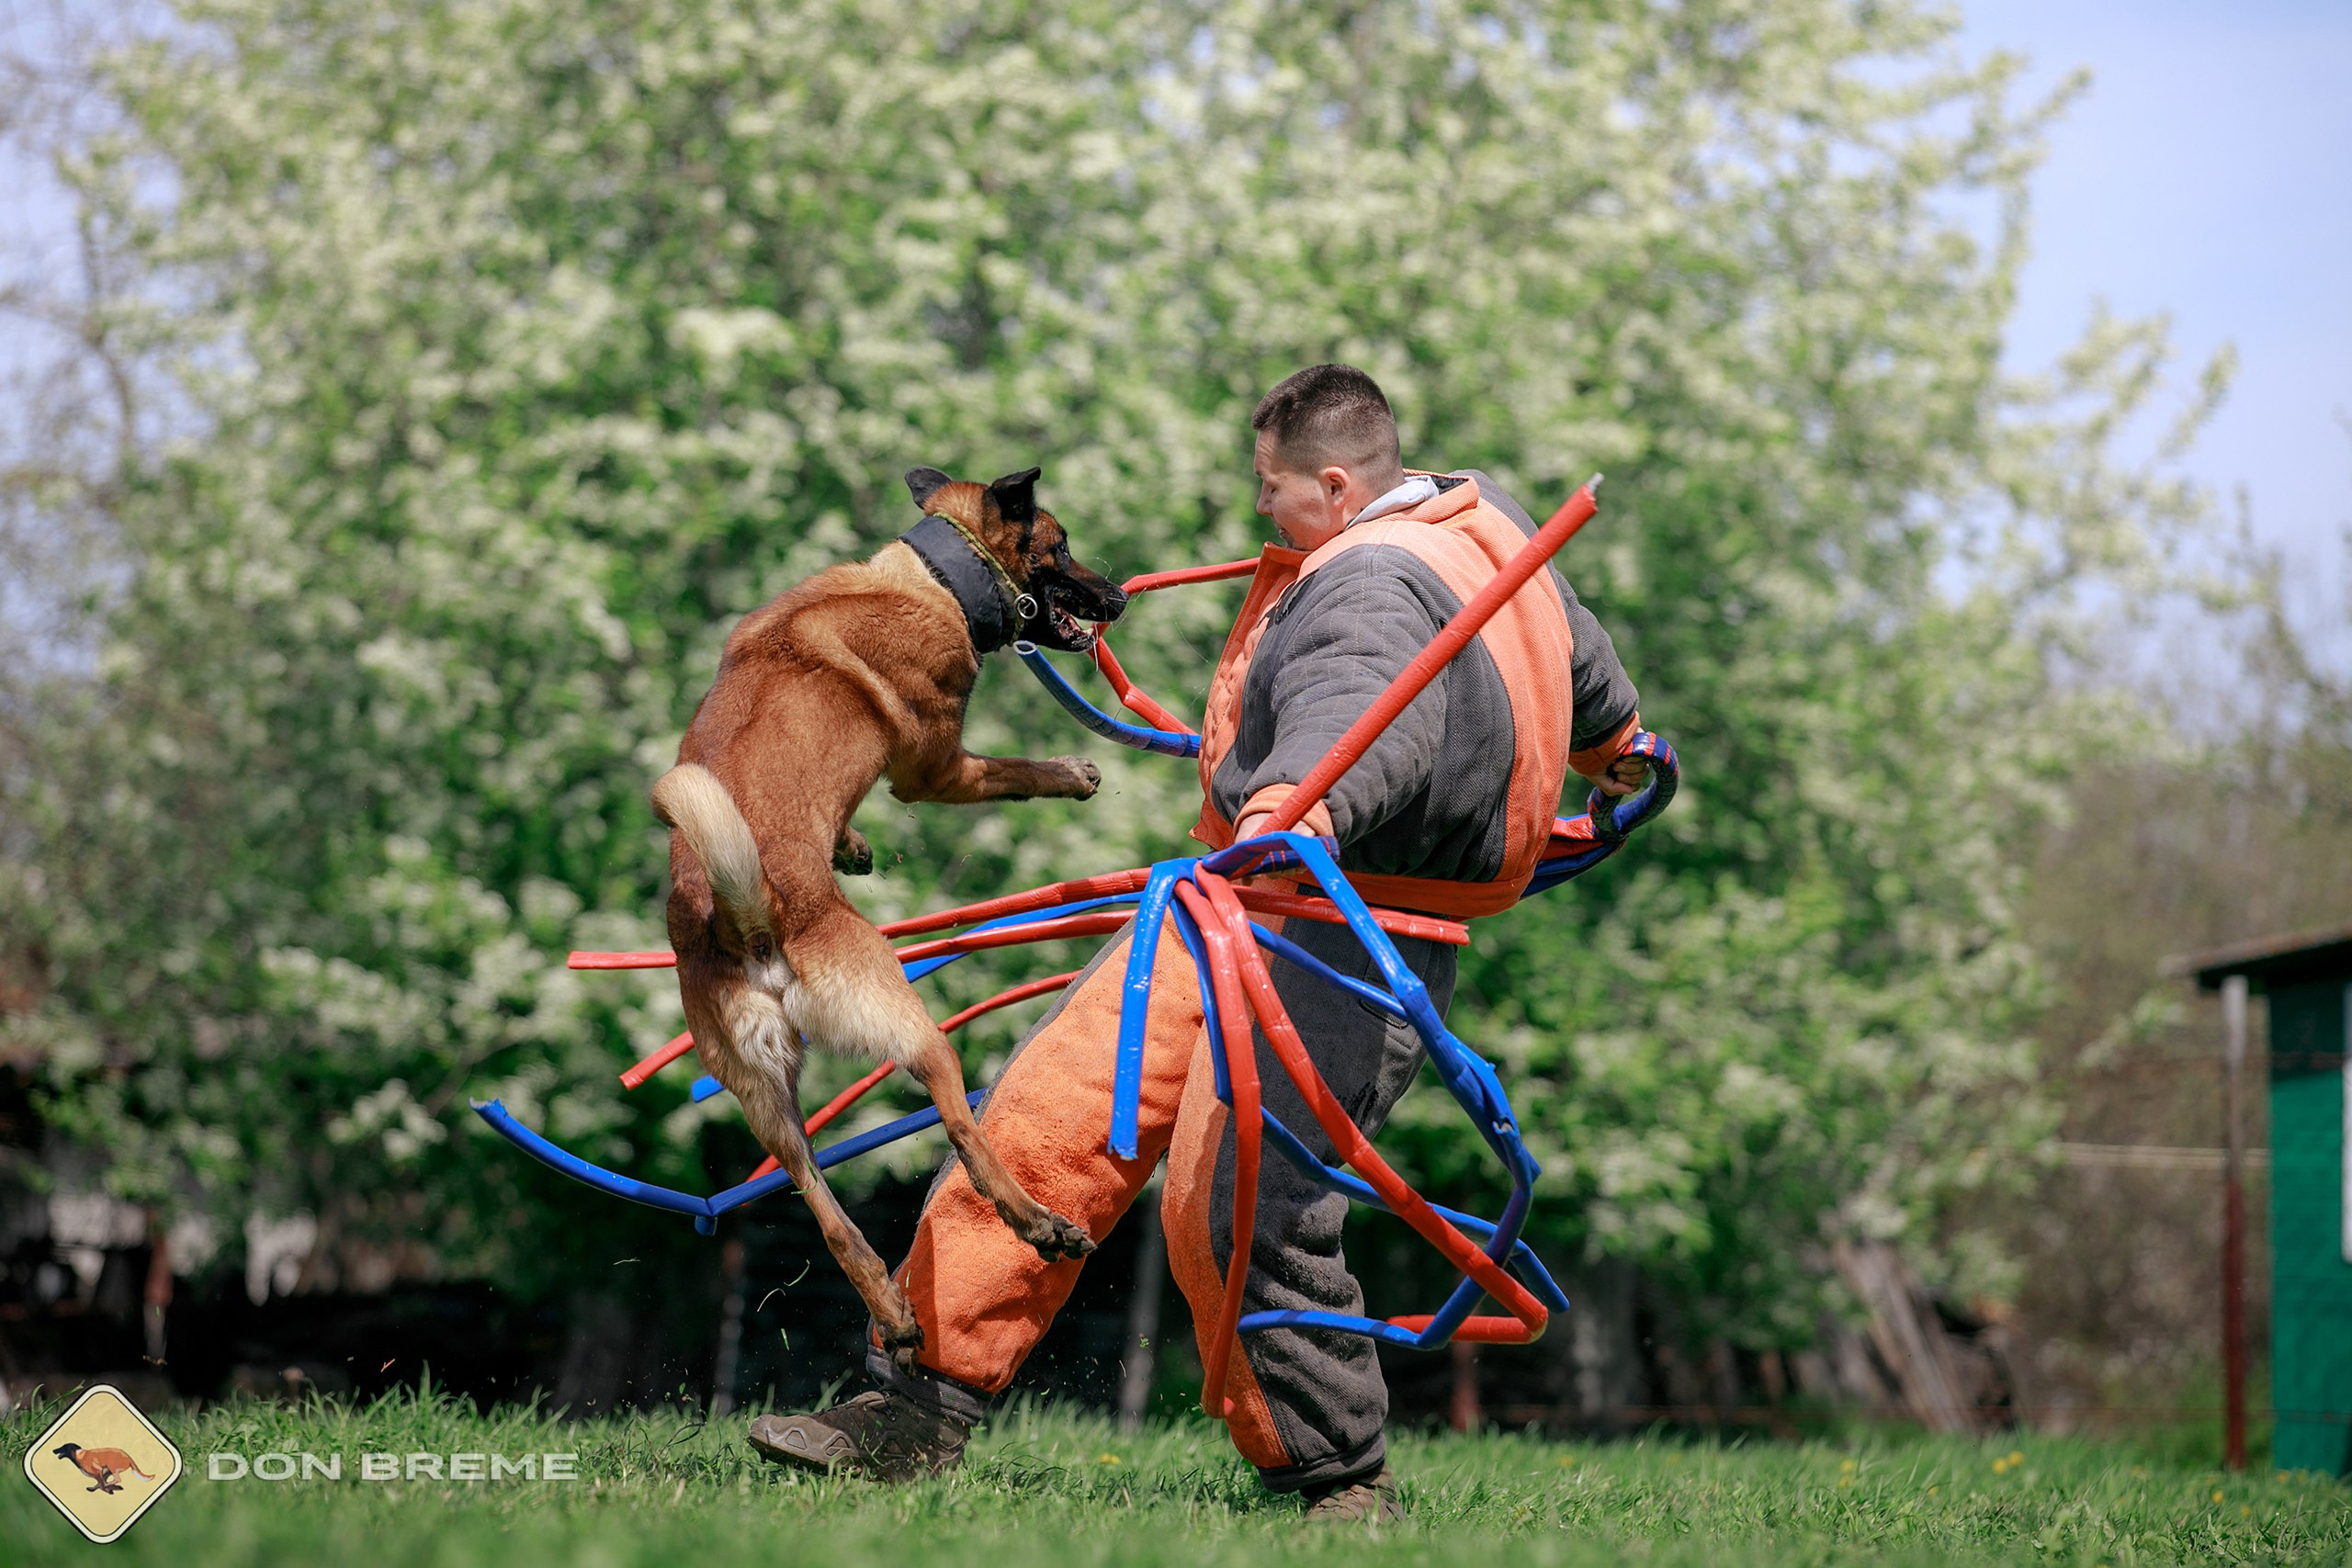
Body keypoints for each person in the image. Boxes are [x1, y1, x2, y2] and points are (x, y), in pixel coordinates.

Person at [748, 365, 1649, 1520]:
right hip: (1225, 905)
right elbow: (1570, 641)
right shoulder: (1478, 518)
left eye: (1271, 486)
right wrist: (1622, 744)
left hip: (1340, 934)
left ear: (1336, 483)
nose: (1259, 505)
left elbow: (1362, 707)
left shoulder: (1369, 584)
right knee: (1043, 1126)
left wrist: (1292, 808)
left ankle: (1335, 1477)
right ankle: (914, 1407)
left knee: (1243, 1200)